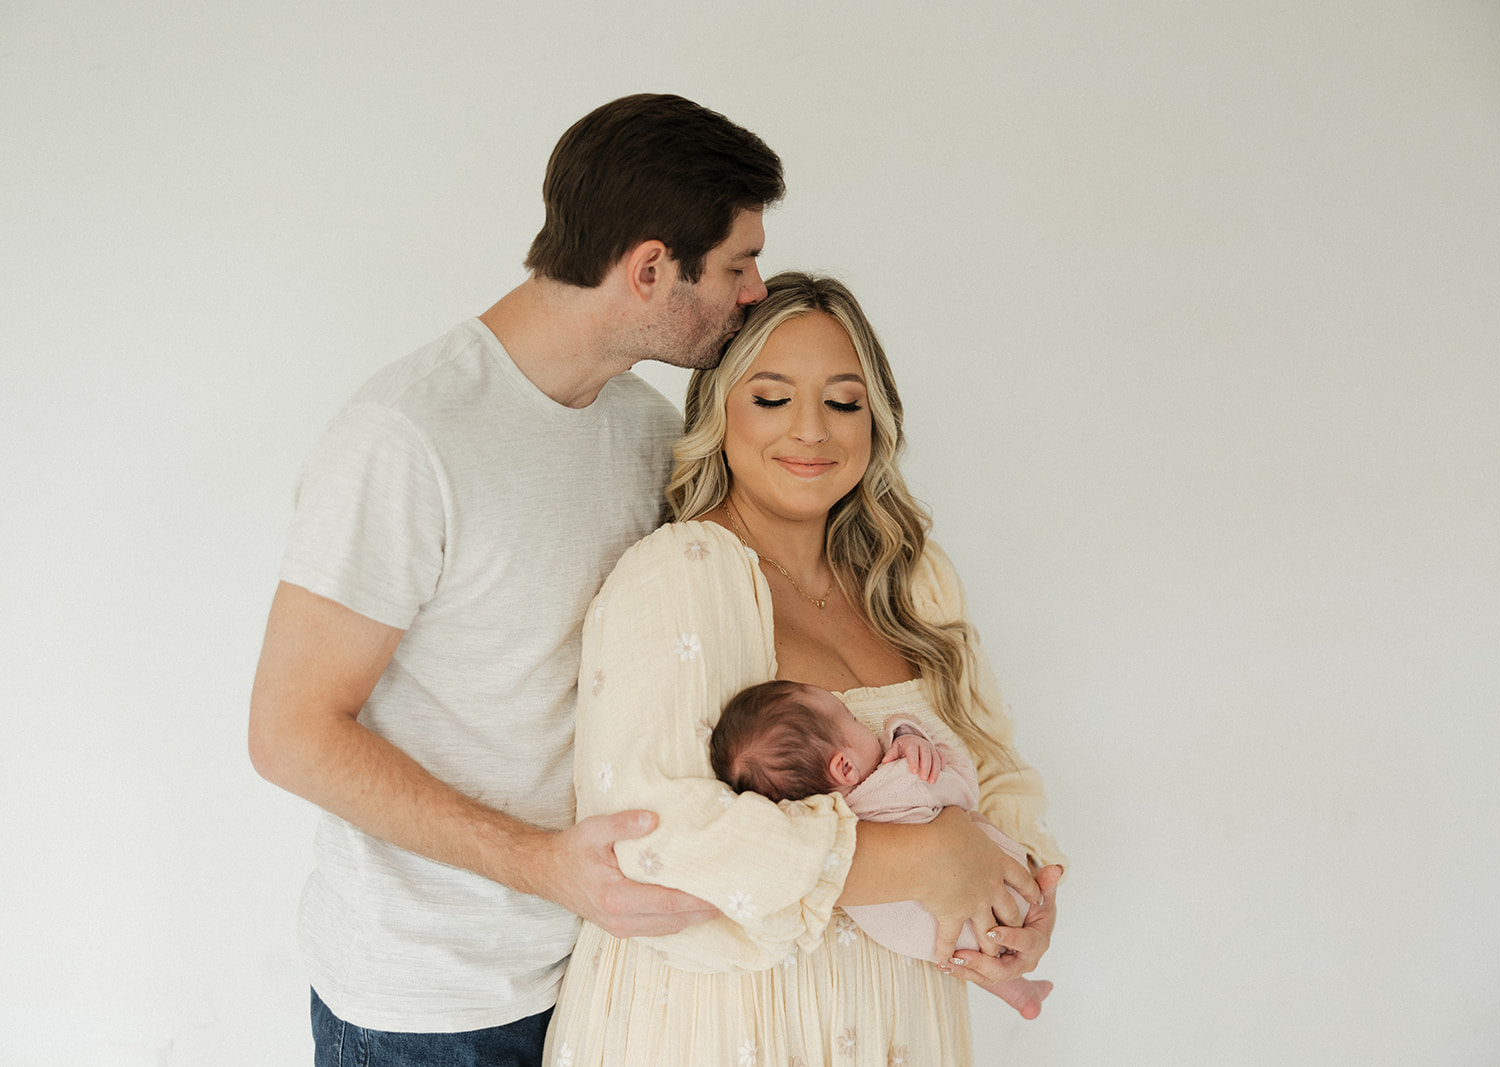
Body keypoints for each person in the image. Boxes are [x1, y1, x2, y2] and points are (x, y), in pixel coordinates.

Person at [246, 94, 784, 1066]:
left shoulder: (645, 431)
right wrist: (545, 866)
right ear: (651, 267)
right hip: (425, 1006)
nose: (754, 290)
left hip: (601, 974)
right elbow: (290, 733)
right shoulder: (407, 438)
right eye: (739, 263)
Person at [544, 272, 1067, 1066]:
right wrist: (933, 859)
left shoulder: (910, 575)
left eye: (844, 401)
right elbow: (655, 840)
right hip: (718, 1029)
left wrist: (1022, 895)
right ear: (719, 408)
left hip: (901, 1023)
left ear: (876, 418)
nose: (812, 430)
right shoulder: (679, 574)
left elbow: (995, 766)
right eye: (772, 397)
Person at [710, 678, 1053, 1020]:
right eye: (855, 720)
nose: (869, 730)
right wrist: (914, 740)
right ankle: (1013, 978)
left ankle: (1014, 986)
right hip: (991, 903)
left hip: (904, 933)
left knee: (964, 951)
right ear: (845, 767)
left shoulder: (820, 825)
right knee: (983, 932)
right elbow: (963, 792)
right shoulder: (896, 783)